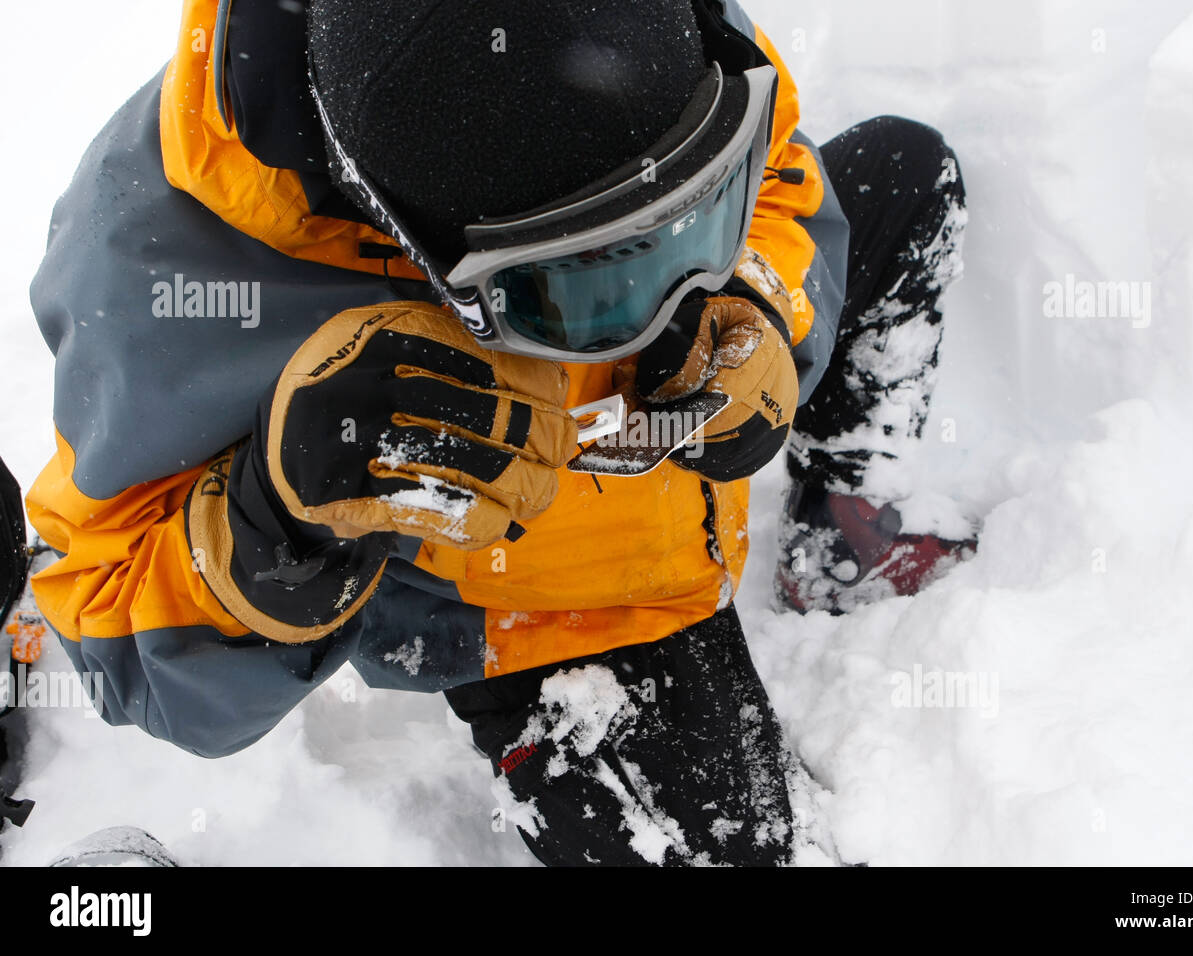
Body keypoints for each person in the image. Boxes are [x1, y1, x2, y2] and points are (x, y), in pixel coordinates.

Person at [23, 0, 970, 866]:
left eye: (693, 213)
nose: (667, 300)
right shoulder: (161, 269)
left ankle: (843, 527)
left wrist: (760, 300)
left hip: (668, 483)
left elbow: (781, 168)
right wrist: (281, 526)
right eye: (582, 290)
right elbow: (108, 617)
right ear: (416, 244)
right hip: (544, 602)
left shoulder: (668, 25)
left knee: (908, 177)